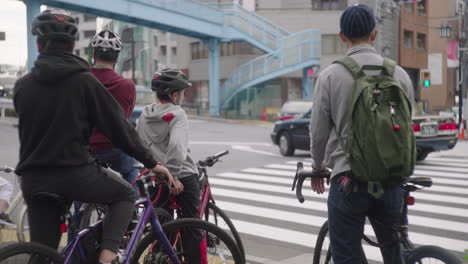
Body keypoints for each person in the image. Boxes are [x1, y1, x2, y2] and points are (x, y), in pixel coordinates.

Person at [13, 10, 175, 264]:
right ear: (73, 45)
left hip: (34, 178)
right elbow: (119, 129)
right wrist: (153, 162)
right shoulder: (84, 82)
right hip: (74, 172)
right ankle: (106, 259)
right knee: (125, 196)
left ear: (38, 44)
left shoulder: (23, 86)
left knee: (42, 253)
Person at [309, 4, 415, 264]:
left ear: (342, 36)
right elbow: (406, 121)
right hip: (391, 179)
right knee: (395, 250)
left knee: (347, 253)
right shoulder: (398, 74)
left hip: (349, 180)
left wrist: (318, 166)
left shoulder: (330, 76)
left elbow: (318, 131)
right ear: (375, 34)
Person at [136, 68, 204, 263]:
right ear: (175, 95)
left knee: (161, 225)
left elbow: (140, 145)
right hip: (181, 176)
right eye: (181, 93)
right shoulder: (177, 113)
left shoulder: (145, 114)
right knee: (193, 226)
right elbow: (177, 147)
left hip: (155, 176)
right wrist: (172, 176)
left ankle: (159, 257)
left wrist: (157, 171)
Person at [89, 30, 138, 186]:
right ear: (117, 58)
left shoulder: (80, 79)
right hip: (115, 149)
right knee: (131, 171)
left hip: (84, 149)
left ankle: (80, 209)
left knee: (80, 184)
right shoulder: (127, 85)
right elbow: (125, 116)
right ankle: (131, 209)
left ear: (93, 54)